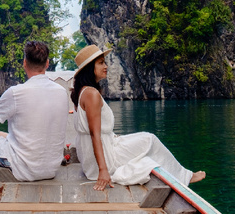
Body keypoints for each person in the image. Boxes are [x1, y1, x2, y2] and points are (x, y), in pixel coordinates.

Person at [70, 44, 206, 191]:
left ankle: (182, 175)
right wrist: (103, 170)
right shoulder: (92, 94)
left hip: (91, 158)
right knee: (150, 139)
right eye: (101, 62)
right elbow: (94, 134)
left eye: (105, 62)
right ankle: (185, 177)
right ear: (90, 68)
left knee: (143, 139)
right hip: (102, 161)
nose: (106, 66)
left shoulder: (82, 91)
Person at [0, 40, 72, 181]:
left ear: (24, 63)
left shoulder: (16, 92)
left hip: (26, 169)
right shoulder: (61, 92)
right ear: (47, 63)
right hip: (51, 168)